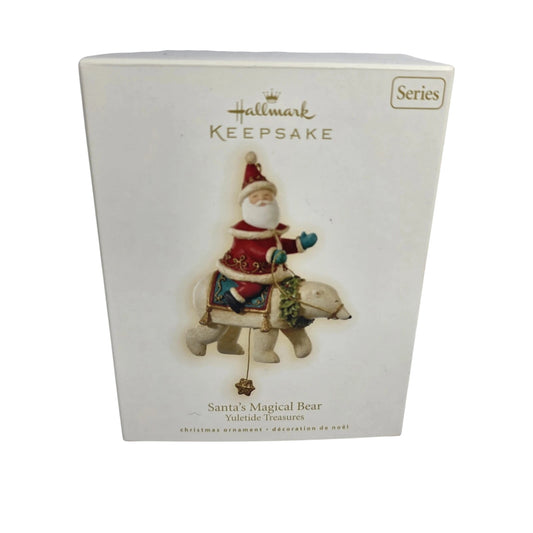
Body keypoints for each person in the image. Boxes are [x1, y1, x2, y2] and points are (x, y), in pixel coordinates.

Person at [217, 152, 317, 313]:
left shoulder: (270, 229)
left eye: (266, 195)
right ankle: (234, 297)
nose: (262, 199)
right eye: (255, 196)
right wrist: (272, 254)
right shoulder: (244, 232)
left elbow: (280, 244)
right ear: (246, 203)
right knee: (254, 287)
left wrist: (299, 244)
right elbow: (252, 248)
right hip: (247, 268)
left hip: (269, 267)